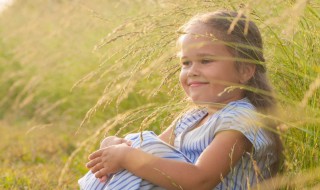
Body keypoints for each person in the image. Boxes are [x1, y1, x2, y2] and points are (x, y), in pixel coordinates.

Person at [80, 10, 283, 190]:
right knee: (138, 144)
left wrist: (126, 156)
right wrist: (115, 146)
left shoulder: (241, 118)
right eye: (186, 63)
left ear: (245, 70)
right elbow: (153, 151)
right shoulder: (194, 117)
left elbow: (200, 181)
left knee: (137, 154)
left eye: (205, 61)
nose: (192, 71)